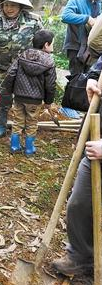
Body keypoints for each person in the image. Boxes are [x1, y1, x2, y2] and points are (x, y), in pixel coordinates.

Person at [51, 77, 102, 276]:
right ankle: (81, 257)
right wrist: (91, 81)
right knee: (78, 204)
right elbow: (96, 69)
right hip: (94, 148)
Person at [0, 0, 43, 138]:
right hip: (3, 69)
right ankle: (1, 126)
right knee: (3, 99)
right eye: (6, 5)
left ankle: (24, 130)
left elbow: (43, 44)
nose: (9, 8)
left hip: (27, 70)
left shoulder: (33, 21)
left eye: (13, 5)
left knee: (26, 102)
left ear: (20, 6)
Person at [3, 29, 56, 156]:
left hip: (19, 97)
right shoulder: (49, 61)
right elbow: (50, 85)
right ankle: (29, 149)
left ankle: (15, 146)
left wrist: (9, 92)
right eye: (52, 43)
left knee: (18, 121)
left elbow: (10, 74)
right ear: (46, 45)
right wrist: (48, 102)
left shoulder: (23, 55)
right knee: (32, 123)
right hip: (35, 100)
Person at [61, 0, 102, 75]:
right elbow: (65, 16)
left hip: (90, 48)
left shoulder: (98, 1)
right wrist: (87, 18)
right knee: (75, 79)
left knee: (88, 78)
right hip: (76, 45)